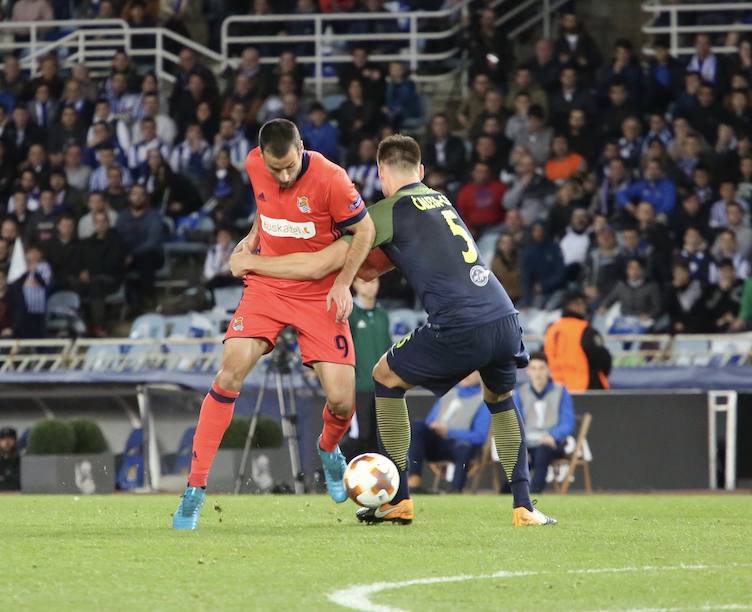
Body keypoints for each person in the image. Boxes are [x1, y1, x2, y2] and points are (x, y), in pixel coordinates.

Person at [231, 134, 556, 526]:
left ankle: (398, 498)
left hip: (459, 321)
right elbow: (380, 264)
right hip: (503, 315)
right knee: (500, 398)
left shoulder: (387, 211)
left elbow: (326, 262)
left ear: (382, 173)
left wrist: (253, 262)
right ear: (421, 172)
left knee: (385, 376)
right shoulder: (441, 200)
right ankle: (525, 506)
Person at [173, 119, 375, 530]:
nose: (283, 175)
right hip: (267, 291)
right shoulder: (253, 165)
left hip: (317, 292)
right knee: (229, 373)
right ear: (261, 156)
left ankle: (328, 448)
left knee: (341, 400)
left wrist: (342, 283)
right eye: (275, 168)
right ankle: (194, 491)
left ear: (302, 147)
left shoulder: (332, 179)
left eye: (289, 166)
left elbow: (365, 229)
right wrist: (251, 234)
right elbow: (268, 210)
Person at [407, 371, 490, 493]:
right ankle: (414, 482)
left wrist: (448, 431)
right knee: (416, 426)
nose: (466, 374)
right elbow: (429, 423)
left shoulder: (483, 401)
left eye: (472, 371)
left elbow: (479, 436)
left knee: (464, 446)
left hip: (460, 447)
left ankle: (455, 490)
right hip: (437, 445)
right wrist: (436, 429)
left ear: (481, 375)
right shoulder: (448, 394)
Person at [515, 352, 575, 494]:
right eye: (534, 368)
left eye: (541, 368)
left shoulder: (560, 391)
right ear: (528, 371)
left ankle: (534, 492)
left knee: (542, 450)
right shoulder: (521, 393)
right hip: (528, 442)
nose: (538, 373)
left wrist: (553, 435)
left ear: (548, 369)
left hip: (551, 442)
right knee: (519, 456)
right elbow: (517, 422)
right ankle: (508, 492)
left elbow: (568, 422)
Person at [346, 276, 393, 457]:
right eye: (366, 281)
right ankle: (332, 472)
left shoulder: (382, 315)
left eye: (374, 281)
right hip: (359, 387)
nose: (371, 286)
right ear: (355, 284)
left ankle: (372, 483)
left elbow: (389, 350)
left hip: (382, 388)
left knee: (380, 438)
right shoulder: (351, 314)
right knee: (359, 435)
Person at [543, 291, 612, 391]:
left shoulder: (551, 330)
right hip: (585, 388)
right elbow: (603, 359)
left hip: (557, 390)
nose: (584, 307)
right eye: (582, 303)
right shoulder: (585, 330)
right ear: (573, 305)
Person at [0, 426, 20, 491]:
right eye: (3, 439)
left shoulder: (20, 461)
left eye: (10, 438)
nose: (7, 441)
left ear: (15, 441)